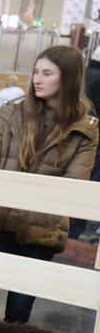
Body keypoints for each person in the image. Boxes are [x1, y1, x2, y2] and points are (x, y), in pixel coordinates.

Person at [0, 45, 98, 323]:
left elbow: (73, 185)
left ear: (68, 79)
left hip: (41, 234)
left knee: (18, 314)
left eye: (47, 73)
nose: (37, 79)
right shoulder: (10, 114)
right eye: (36, 72)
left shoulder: (85, 130)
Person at [69, 46, 100, 243]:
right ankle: (76, 231)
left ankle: (71, 231)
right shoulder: (97, 80)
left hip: (77, 137)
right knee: (90, 185)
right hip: (95, 141)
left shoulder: (85, 75)